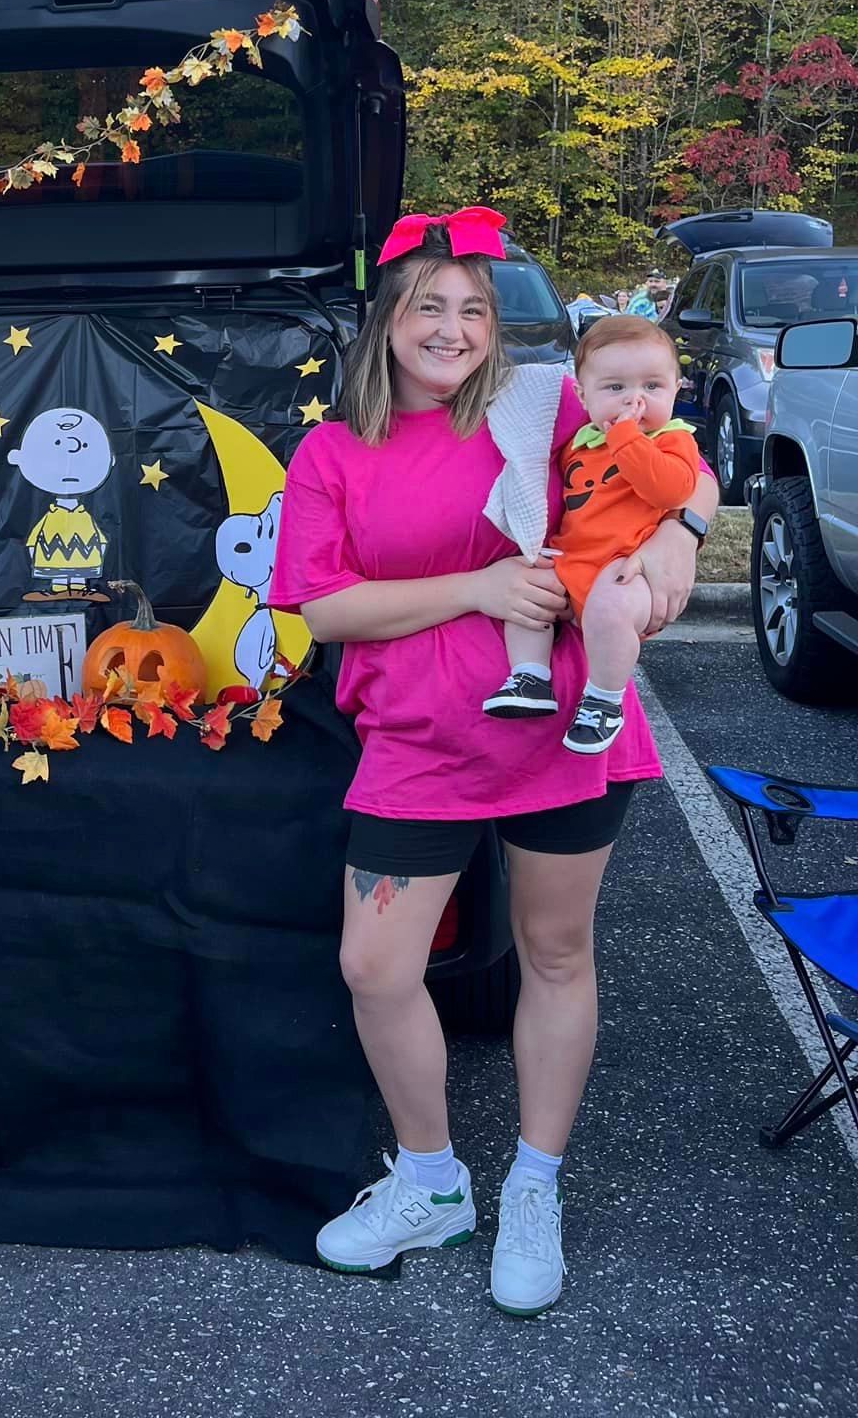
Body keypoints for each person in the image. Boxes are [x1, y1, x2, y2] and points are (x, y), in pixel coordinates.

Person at [268, 207, 714, 1317]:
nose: (454, 327)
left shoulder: (540, 407)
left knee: (555, 953)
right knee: (377, 965)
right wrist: (473, 588)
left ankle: (535, 1180)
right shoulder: (333, 449)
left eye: (474, 308)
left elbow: (681, 463)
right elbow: (322, 611)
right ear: (388, 321)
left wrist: (676, 539)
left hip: (563, 729)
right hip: (416, 744)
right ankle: (430, 1178)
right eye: (430, 304)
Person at [483, 315, 700, 752]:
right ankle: (530, 675)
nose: (634, 400)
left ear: (677, 389)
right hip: (574, 559)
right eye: (615, 388)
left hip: (628, 568)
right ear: (583, 395)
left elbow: (670, 488)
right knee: (527, 590)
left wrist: (625, 437)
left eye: (652, 387)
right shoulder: (580, 442)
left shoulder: (672, 440)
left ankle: (603, 700)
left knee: (610, 607)